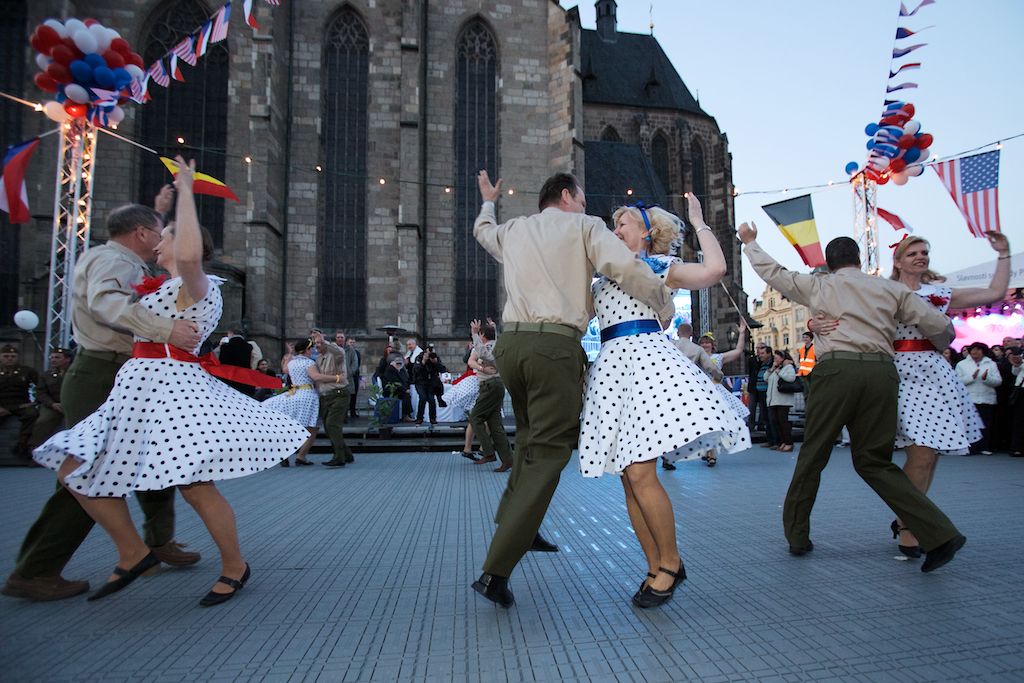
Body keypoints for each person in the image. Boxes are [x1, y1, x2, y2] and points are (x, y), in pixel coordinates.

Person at [32, 158, 309, 605]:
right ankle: (133, 551)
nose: (156, 246)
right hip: (137, 389)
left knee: (195, 484)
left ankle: (234, 565)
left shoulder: (195, 285)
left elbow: (188, 256)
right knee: (75, 468)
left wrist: (185, 190)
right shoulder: (163, 286)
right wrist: (164, 206)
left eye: (165, 240)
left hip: (169, 391)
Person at [469, 170, 675, 608]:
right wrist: (660, 299)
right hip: (553, 348)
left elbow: (482, 232)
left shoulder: (515, 228)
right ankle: (496, 570)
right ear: (566, 196)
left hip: (510, 347)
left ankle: (520, 522)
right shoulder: (585, 226)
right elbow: (620, 265)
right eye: (582, 198)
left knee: (528, 439)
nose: (586, 206)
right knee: (549, 451)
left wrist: (489, 201)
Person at [3, 201, 204, 602]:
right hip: (103, 373)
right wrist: (167, 328)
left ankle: (158, 540)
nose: (163, 238)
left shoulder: (119, 259)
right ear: (143, 233)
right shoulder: (115, 260)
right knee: (89, 472)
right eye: (160, 229)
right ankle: (37, 569)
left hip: (123, 371)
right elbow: (106, 303)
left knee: (152, 458)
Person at [740, 223, 966, 573]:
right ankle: (939, 533)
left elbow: (773, 272)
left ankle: (798, 536)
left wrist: (751, 243)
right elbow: (938, 325)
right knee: (875, 461)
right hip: (881, 373)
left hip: (836, 371)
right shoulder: (888, 289)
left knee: (813, 454)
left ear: (830, 264)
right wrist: (940, 345)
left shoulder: (819, 285)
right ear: (859, 260)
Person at [579, 196, 749, 608]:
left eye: (622, 225)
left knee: (640, 473)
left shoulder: (655, 266)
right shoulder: (599, 279)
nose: (615, 231)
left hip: (647, 365)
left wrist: (699, 223)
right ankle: (655, 566)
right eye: (612, 225)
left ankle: (670, 563)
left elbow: (715, 270)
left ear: (646, 233)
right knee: (627, 477)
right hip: (611, 368)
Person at [696, 322, 752, 466]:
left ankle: (712, 454)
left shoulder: (718, 357)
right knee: (704, 424)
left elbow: (738, 350)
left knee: (714, 423)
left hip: (716, 393)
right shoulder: (695, 358)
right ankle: (708, 451)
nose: (705, 345)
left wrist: (742, 333)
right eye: (702, 342)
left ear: (712, 345)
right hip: (701, 393)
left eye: (707, 343)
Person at [264, 338, 323, 466]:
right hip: (307, 395)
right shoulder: (309, 363)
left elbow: (284, 369)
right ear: (306, 350)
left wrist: (289, 354)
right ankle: (301, 456)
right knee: (311, 428)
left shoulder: (292, 363)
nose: (312, 351)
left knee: (292, 425)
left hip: (293, 394)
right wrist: (336, 378)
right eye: (310, 348)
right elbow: (316, 377)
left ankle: (283, 453)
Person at [467, 319, 512, 471]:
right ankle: (507, 459)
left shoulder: (488, 347)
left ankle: (488, 452)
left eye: (481, 334)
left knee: (475, 417)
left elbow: (482, 352)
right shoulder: (498, 345)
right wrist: (493, 329)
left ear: (483, 335)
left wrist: (474, 333)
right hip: (496, 386)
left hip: (490, 386)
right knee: (494, 424)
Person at [314, 330, 354, 467]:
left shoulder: (337, 354)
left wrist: (324, 340)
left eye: (319, 343)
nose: (317, 346)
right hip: (325, 396)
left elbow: (337, 351)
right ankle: (347, 454)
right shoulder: (319, 359)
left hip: (339, 394)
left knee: (332, 424)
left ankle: (339, 457)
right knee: (328, 427)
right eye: (316, 343)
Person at [955, 342, 1002, 455]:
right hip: (969, 399)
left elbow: (998, 381)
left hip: (987, 398)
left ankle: (984, 447)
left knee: (986, 424)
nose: (975, 352)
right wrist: (972, 377)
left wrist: (987, 378)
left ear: (983, 351)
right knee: (970, 424)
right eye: (973, 349)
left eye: (978, 349)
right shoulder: (962, 364)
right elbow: (956, 382)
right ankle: (970, 447)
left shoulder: (991, 364)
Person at [28, 348, 74, 449]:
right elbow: (40, 393)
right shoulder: (46, 375)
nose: (53, 360)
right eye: (52, 357)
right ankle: (35, 449)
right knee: (43, 422)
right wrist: (52, 404)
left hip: (73, 405)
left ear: (67, 359)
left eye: (57, 357)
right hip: (52, 405)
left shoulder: (76, 373)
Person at [1, 344, 39, 460]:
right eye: (6, 356)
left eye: (13, 356)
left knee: (32, 414)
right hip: (2, 405)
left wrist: (34, 402)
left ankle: (23, 446)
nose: (10, 358)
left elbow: (42, 388)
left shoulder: (27, 371)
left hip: (21, 405)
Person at [765, 350, 798, 452]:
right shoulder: (776, 368)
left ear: (782, 358)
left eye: (776, 358)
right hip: (773, 400)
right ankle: (782, 441)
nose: (775, 360)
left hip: (783, 400)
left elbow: (791, 378)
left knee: (783, 422)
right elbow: (766, 378)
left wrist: (779, 372)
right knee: (776, 422)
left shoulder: (788, 367)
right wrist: (772, 369)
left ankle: (789, 442)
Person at [345, 337, 362, 418]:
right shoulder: (345, 352)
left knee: (354, 395)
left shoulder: (357, 353)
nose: (352, 344)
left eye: (353, 342)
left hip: (355, 376)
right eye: (350, 342)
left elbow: (358, 364)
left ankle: (353, 411)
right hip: (347, 376)